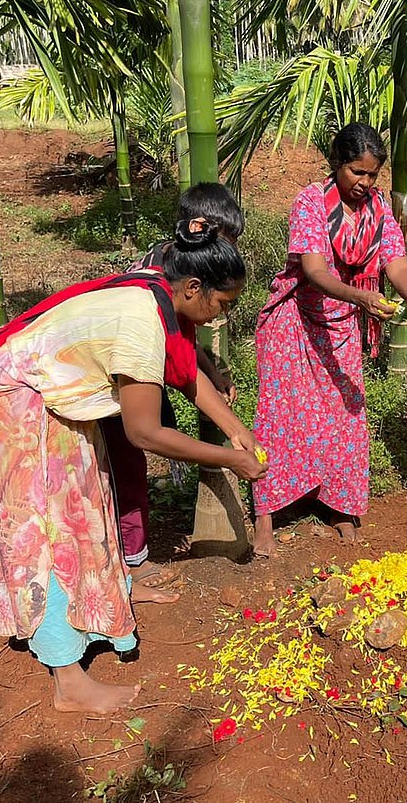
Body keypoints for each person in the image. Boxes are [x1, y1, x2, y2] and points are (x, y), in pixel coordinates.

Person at [0, 222, 268, 715]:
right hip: (13, 401)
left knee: (87, 508)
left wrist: (234, 429)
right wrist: (231, 459)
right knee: (44, 535)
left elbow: (185, 373)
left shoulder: (160, 298)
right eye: (222, 304)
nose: (220, 318)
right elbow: (145, 431)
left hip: (52, 399)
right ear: (193, 289)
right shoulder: (141, 321)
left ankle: (112, 594)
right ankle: (68, 679)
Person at [252, 122, 407, 557]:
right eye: (357, 172)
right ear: (337, 165)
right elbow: (314, 272)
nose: (365, 183)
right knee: (280, 417)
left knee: (344, 415)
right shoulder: (310, 202)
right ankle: (265, 516)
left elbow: (396, 260)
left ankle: (338, 505)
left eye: (372, 175)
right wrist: (361, 296)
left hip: (341, 323)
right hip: (295, 322)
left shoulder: (377, 209)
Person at [99, 183, 245, 589]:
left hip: (133, 375)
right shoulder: (150, 291)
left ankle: (123, 554)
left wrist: (230, 418)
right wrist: (230, 455)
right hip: (117, 381)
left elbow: (181, 346)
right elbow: (144, 429)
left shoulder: (177, 279)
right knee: (123, 462)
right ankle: (130, 559)